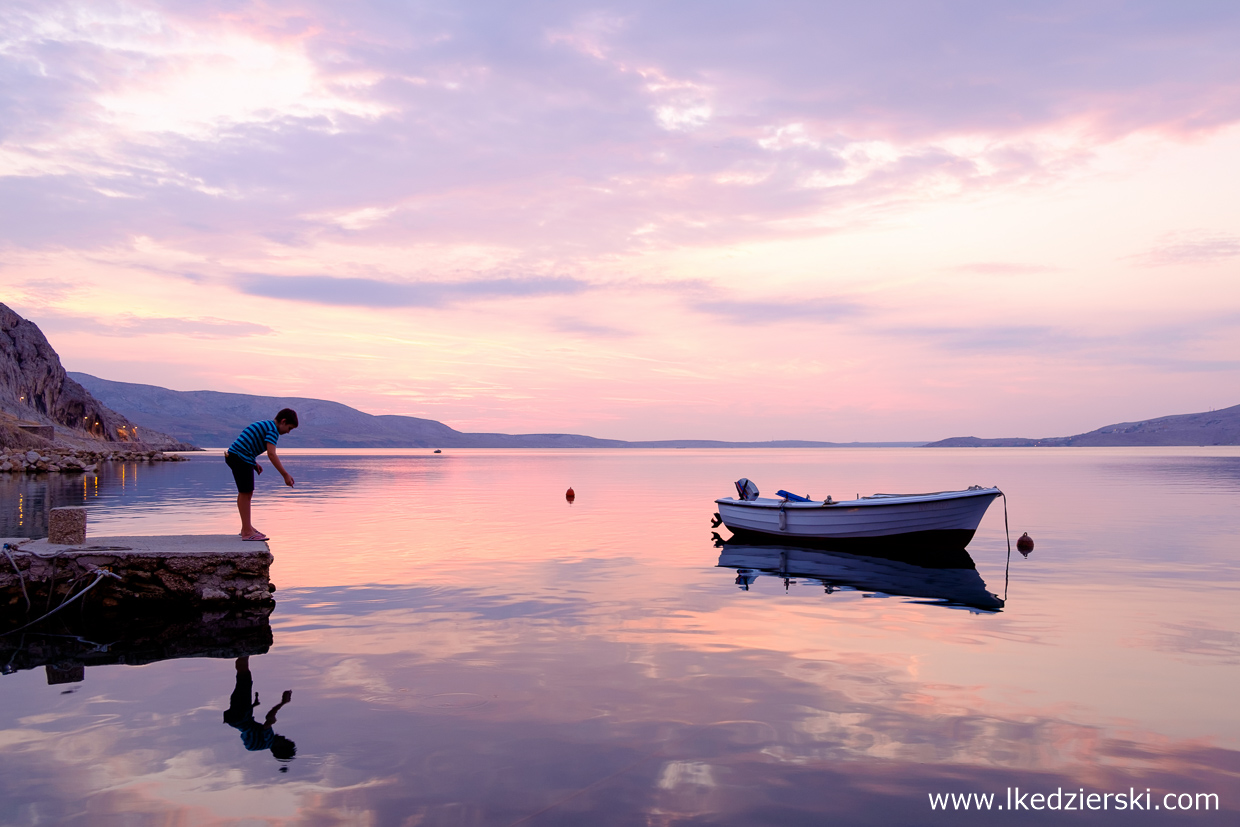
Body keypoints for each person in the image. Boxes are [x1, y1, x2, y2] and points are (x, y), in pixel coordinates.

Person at [225, 408, 298, 541]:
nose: (288, 432)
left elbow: (248, 443)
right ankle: (247, 532)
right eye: (289, 428)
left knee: (245, 493)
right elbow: (271, 454)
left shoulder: (266, 425)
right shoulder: (273, 430)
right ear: (283, 421)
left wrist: (253, 462)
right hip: (240, 458)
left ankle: (246, 528)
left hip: (236, 456)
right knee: (246, 494)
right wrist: (285, 475)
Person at [223, 656, 297, 766]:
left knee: (244, 678)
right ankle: (244, 654)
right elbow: (248, 734)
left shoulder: (268, 741)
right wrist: (252, 707)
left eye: (284, 741)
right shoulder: (256, 746)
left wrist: (283, 702)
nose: (283, 737)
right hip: (235, 720)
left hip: (242, 716)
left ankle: (244, 651)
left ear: (279, 747)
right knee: (243, 681)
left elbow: (268, 720)